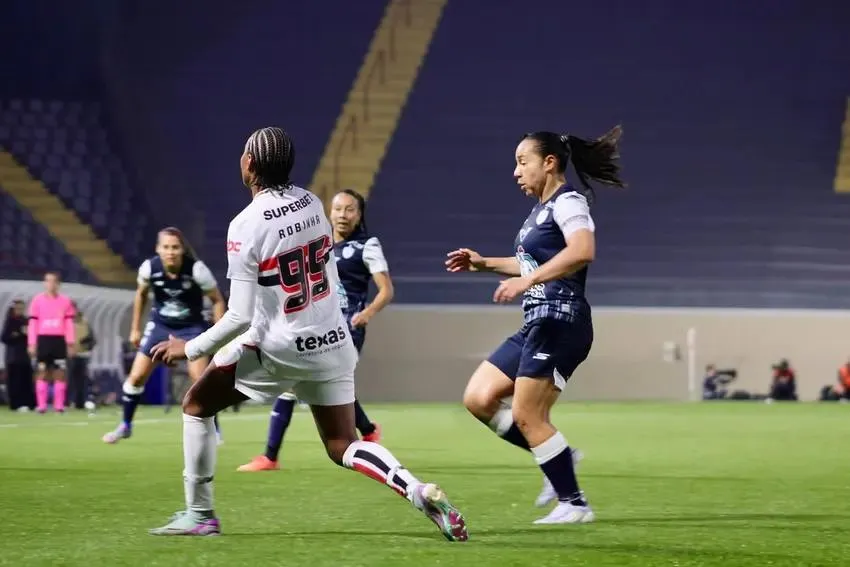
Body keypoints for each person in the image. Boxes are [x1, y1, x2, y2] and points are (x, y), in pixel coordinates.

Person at [147, 126, 467, 541]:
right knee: (341, 443)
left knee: (195, 405)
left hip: (278, 346)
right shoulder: (312, 203)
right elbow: (328, 274)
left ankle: (201, 514)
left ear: (249, 164)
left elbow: (240, 315)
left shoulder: (244, 224)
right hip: (333, 341)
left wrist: (188, 348)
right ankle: (417, 490)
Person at [446, 126, 624, 524]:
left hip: (562, 321)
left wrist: (527, 280)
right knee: (479, 398)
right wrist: (484, 263)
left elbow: (582, 250)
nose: (515, 172)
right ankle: (560, 456)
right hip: (536, 323)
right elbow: (530, 263)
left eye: (522, 162)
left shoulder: (569, 202)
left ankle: (574, 504)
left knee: (528, 415)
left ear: (549, 162)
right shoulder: (537, 213)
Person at [237, 188, 394, 472]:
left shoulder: (367, 245)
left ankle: (270, 456)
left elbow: (386, 290)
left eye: (350, 209)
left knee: (302, 382)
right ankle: (367, 431)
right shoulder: (316, 242)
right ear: (329, 212)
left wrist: (366, 313)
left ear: (359, 215)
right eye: (338, 209)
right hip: (313, 325)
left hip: (348, 328)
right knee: (324, 384)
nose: (343, 215)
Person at [102, 227, 226, 443]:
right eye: (166, 247)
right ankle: (125, 425)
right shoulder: (149, 268)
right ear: (158, 249)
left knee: (199, 379)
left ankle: (214, 430)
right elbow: (141, 295)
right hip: (160, 326)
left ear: (182, 249)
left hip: (191, 327)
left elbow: (217, 300)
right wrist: (135, 329)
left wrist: (219, 335)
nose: (171, 252)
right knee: (137, 376)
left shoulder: (196, 270)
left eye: (175, 247)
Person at [28, 272, 76, 413]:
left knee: (59, 372)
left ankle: (59, 405)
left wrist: (70, 343)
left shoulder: (65, 301)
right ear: (44, 283)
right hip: (43, 339)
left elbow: (69, 324)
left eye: (54, 281)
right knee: (42, 371)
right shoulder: (37, 301)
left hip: (58, 340)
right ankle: (41, 406)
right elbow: (32, 324)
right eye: (48, 281)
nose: (51, 284)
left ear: (58, 284)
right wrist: (32, 343)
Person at [2, 300, 35, 410]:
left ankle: (29, 403)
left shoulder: (26, 320)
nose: (20, 310)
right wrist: (19, 334)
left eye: (22, 308)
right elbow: (4, 338)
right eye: (18, 308)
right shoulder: (10, 321)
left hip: (25, 356)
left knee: (27, 380)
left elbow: (32, 336)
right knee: (15, 382)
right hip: (13, 357)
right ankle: (16, 404)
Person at [68, 302, 96, 410]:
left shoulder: (85, 322)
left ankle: (81, 402)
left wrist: (84, 344)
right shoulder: (65, 322)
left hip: (83, 355)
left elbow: (93, 340)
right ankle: (70, 402)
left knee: (82, 380)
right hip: (69, 355)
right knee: (70, 380)